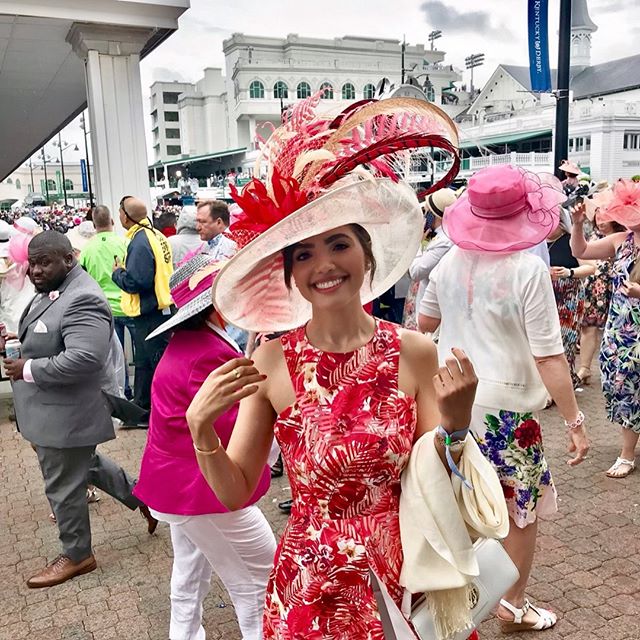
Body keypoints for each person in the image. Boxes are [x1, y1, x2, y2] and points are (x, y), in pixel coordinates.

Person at [186, 96, 483, 638]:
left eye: (338, 244)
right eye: (303, 254)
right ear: (291, 275)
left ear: (365, 255)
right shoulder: (271, 361)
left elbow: (435, 478)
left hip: (404, 571)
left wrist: (457, 425)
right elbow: (235, 491)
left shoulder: (414, 350)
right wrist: (200, 429)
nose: (323, 264)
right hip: (310, 585)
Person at [418, 165, 590, 632]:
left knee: (459, 504)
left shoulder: (449, 262)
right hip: (508, 413)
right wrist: (575, 422)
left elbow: (424, 325)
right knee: (519, 511)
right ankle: (512, 602)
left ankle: (458, 601)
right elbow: (550, 357)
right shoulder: (528, 271)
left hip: (451, 400)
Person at [134, 253, 276, 639]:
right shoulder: (210, 353)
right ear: (218, 304)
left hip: (178, 485)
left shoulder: (195, 342)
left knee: (189, 578)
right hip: (200, 488)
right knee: (260, 583)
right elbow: (239, 432)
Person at [4, 231, 156, 588]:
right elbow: (51, 336)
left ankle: (77, 555)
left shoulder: (82, 297)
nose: (35, 271)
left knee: (62, 486)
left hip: (66, 415)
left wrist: (27, 368)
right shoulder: (57, 289)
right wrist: (18, 341)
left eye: (44, 263)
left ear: (68, 260)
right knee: (87, 465)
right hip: (55, 411)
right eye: (32, 264)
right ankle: (145, 497)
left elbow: (84, 358)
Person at [570, 179, 640, 478]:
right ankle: (627, 450)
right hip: (621, 330)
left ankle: (627, 454)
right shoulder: (621, 240)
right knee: (623, 387)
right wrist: (576, 224)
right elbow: (582, 250)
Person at [112, 196, 173, 416]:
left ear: (127, 217)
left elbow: (137, 282)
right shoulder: (155, 235)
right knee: (148, 363)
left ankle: (151, 409)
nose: (118, 216)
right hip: (161, 310)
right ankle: (144, 407)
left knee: (150, 363)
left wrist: (118, 273)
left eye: (120, 212)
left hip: (150, 313)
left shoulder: (140, 241)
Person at [79, 205, 134, 399]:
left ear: (94, 225)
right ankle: (142, 395)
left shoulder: (87, 249)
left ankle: (122, 393)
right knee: (140, 356)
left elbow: (81, 276)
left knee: (115, 358)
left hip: (103, 309)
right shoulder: (125, 242)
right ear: (112, 221)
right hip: (129, 305)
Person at [547, 211, 596, 387]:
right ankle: (547, 383)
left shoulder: (570, 240)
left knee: (563, 341)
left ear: (560, 222)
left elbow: (591, 267)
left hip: (568, 298)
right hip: (544, 298)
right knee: (544, 342)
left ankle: (562, 384)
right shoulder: (536, 243)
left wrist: (569, 272)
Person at [578, 204, 624, 384]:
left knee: (617, 329)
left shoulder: (623, 238)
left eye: (605, 217)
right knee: (588, 327)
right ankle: (585, 368)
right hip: (594, 288)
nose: (601, 221)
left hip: (616, 289)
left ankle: (617, 369)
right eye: (598, 217)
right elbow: (582, 257)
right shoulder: (592, 237)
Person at [406, 188, 458, 326]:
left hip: (433, 316)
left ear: (433, 215)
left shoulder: (445, 241)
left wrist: (416, 243)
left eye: (426, 212)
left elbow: (416, 272)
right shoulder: (443, 236)